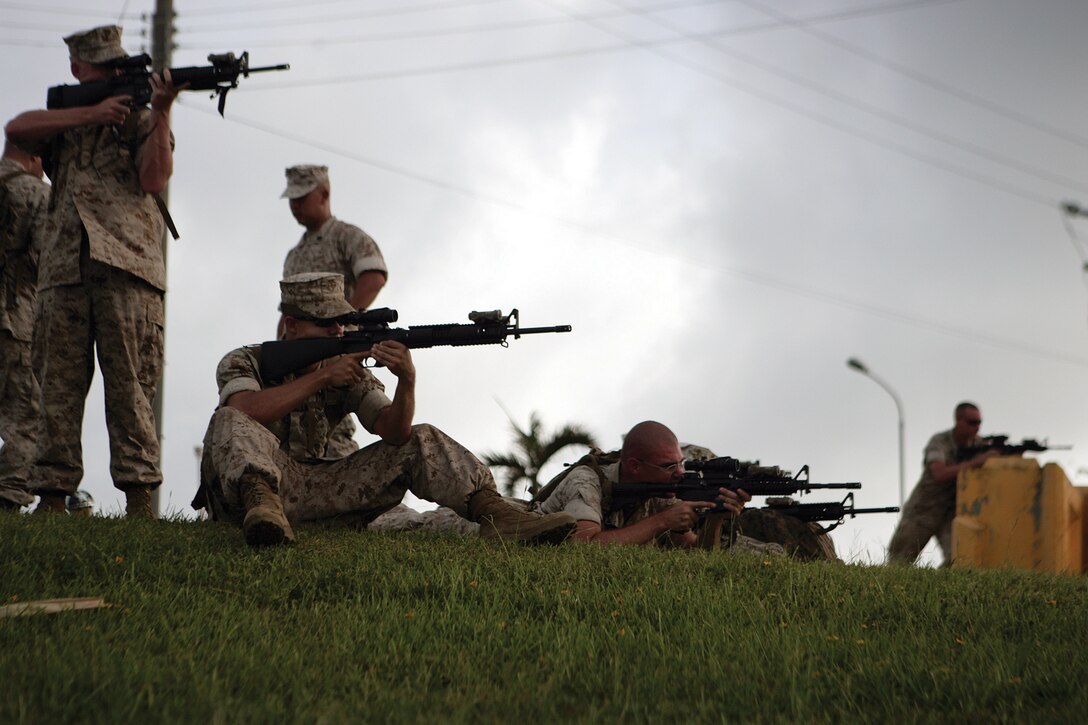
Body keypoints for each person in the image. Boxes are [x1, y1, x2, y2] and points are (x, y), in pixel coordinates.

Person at [193, 272, 577, 547]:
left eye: (343, 324)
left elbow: (395, 435)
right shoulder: (246, 361)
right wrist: (321, 379)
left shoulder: (347, 368)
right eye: (328, 325)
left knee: (421, 437)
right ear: (292, 326)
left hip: (312, 493)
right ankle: (263, 510)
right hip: (244, 500)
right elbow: (245, 408)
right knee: (228, 418)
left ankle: (496, 514)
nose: (338, 333)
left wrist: (406, 380)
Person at [4, 25, 180, 517]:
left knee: (131, 387)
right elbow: (17, 129)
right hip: (63, 268)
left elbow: (154, 177)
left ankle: (139, 498)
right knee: (55, 387)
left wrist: (161, 109)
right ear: (79, 69)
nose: (115, 74)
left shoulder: (143, 118)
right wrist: (90, 112)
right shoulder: (66, 117)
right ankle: (53, 497)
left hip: (127, 266)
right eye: (105, 66)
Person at [279, 164, 389, 457]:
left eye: (302, 197)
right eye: (292, 199)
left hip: (333, 350)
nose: (295, 206)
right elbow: (286, 310)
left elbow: (373, 276)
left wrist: (342, 322)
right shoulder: (295, 255)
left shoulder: (345, 236)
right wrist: (281, 352)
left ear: (324, 194)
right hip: (297, 359)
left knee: (330, 426)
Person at [534, 421, 750, 547]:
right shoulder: (587, 480)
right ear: (634, 466)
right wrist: (662, 521)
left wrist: (716, 516)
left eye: (681, 464)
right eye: (669, 467)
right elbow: (581, 546)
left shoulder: (661, 489)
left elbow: (697, 553)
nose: (679, 473)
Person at [887, 401, 1001, 566]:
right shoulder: (941, 442)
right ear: (958, 420)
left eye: (979, 422)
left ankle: (936, 588)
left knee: (958, 560)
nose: (976, 427)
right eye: (972, 422)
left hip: (950, 514)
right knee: (898, 562)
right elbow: (939, 473)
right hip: (923, 510)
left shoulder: (980, 445)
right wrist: (977, 462)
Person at [0, 141, 49, 510]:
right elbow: (46, 261)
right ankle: (8, 496)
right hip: (13, 317)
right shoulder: (35, 193)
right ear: (35, 158)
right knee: (26, 413)